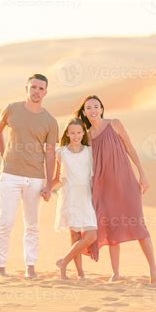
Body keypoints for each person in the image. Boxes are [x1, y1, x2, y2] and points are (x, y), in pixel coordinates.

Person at [77, 95, 156, 286]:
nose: (93, 110)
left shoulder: (114, 124)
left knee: (138, 225)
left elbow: (129, 147)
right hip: (102, 186)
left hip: (125, 183)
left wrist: (142, 173)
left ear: (102, 108)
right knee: (112, 228)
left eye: (96, 106)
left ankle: (153, 268)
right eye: (89, 108)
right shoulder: (86, 135)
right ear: (84, 112)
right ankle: (116, 272)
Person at [0, 74, 59, 279]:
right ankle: (1, 267)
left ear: (46, 92)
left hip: (35, 179)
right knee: (5, 222)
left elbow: (50, 154)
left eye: (41, 88)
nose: (36, 91)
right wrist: (4, 155)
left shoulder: (50, 121)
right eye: (33, 87)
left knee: (32, 225)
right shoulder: (11, 108)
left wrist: (49, 184)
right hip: (10, 175)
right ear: (27, 88)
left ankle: (30, 267)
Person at [51, 118, 97, 280]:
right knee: (75, 237)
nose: (76, 136)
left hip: (85, 196)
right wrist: (47, 189)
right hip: (69, 196)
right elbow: (57, 178)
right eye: (72, 133)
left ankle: (64, 262)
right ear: (67, 134)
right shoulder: (61, 152)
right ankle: (80, 274)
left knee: (91, 235)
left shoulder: (89, 151)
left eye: (79, 132)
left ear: (83, 133)